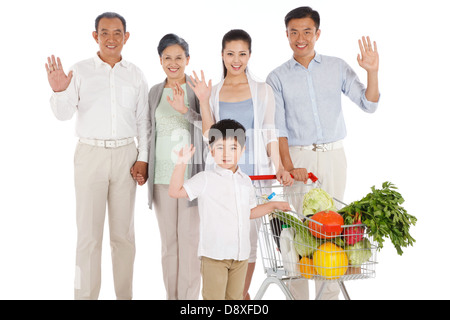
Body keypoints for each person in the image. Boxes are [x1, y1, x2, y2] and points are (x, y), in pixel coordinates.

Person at [266, 6, 380, 300]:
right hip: (299, 158)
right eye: (293, 32)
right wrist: (289, 167)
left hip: (333, 156)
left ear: (317, 33)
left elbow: (369, 104)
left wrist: (372, 72)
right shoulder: (276, 77)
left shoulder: (337, 66)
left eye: (306, 31)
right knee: (301, 235)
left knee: (334, 231)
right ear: (287, 35)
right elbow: (278, 129)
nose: (300, 38)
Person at [188, 29, 306, 300]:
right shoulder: (215, 92)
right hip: (225, 176)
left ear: (250, 55)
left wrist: (278, 165)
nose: (236, 59)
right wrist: (204, 102)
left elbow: (269, 131)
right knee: (225, 233)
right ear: (222, 55)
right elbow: (210, 135)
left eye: (242, 53)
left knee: (250, 237)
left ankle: (241, 294)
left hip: (257, 176)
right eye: (230, 53)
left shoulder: (263, 90)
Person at [45, 12, 149, 300]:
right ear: (95, 36)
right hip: (90, 155)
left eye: (117, 33)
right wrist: (58, 90)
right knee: (88, 237)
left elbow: (143, 122)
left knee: (123, 237)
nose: (111, 39)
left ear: (126, 37)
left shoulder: (136, 74)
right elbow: (63, 114)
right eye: (105, 33)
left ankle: (124, 296)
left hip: (127, 156)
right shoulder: (80, 71)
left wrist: (143, 157)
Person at [168, 119, 292, 300]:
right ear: (211, 151)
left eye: (233, 148)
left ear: (242, 150)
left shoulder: (245, 180)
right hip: (214, 255)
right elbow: (175, 191)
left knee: (235, 300)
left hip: (241, 255)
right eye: (220, 148)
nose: (226, 154)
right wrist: (181, 164)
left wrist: (273, 205)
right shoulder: (205, 179)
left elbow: (249, 212)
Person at [137, 33, 205, 300]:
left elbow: (210, 129)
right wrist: (141, 163)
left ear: (188, 59)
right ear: (160, 60)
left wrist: (184, 110)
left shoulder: (195, 89)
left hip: (190, 178)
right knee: (169, 245)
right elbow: (148, 130)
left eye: (179, 57)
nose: (173, 63)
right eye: (168, 58)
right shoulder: (154, 91)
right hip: (161, 178)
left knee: (189, 243)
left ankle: (188, 301)